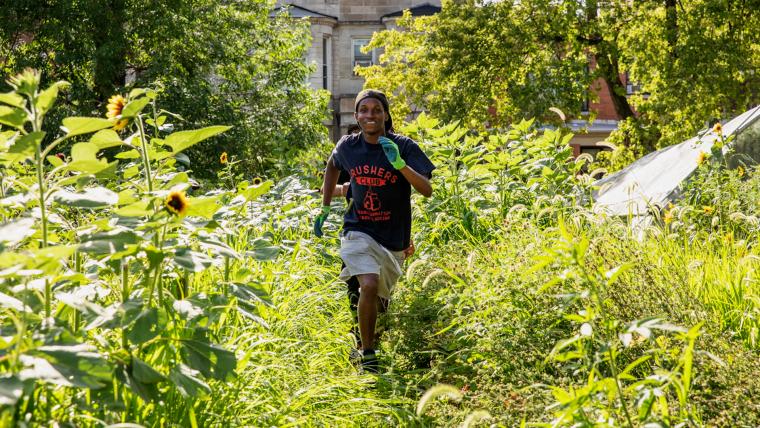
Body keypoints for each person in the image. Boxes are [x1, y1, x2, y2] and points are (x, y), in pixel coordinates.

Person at [314, 89, 435, 372]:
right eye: (364, 110)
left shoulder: (403, 146)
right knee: (367, 284)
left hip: (393, 236)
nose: (370, 115)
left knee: (380, 301)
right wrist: (325, 206)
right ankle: (368, 355)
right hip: (358, 229)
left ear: (386, 114)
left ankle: (366, 340)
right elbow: (332, 166)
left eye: (376, 110)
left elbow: (426, 190)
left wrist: (400, 165)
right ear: (356, 116)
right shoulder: (348, 146)